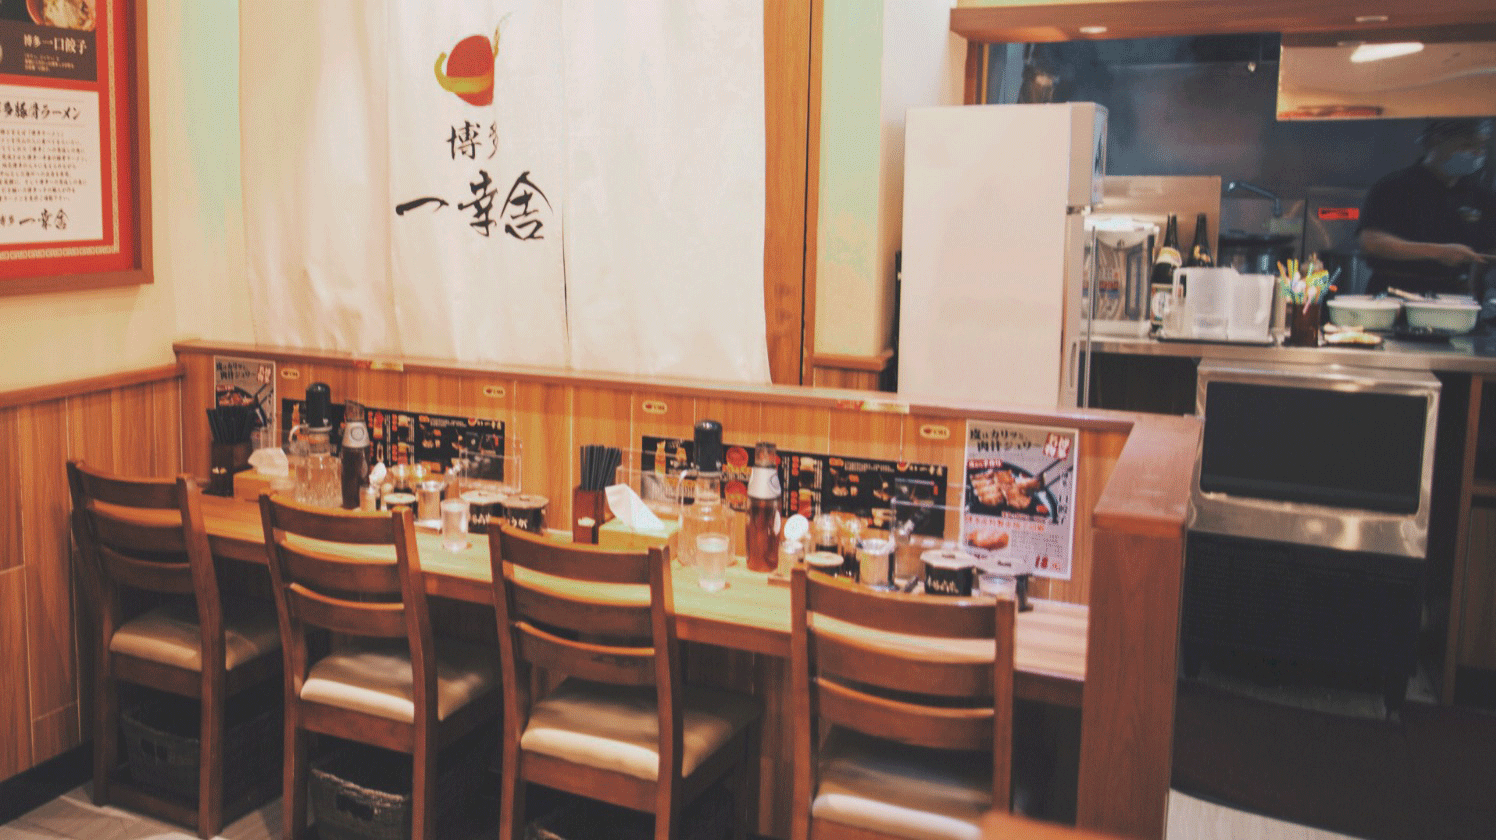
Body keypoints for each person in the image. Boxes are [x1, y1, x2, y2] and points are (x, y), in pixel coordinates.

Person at [1358, 118, 1495, 299]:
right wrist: (1438, 252)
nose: (1476, 153)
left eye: (1481, 147)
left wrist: (1477, 284)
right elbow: (1371, 242)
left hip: (1454, 297)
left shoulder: (1480, 195)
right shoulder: (1394, 187)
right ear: (1436, 141)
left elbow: (1488, 247)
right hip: (1394, 293)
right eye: (1467, 145)